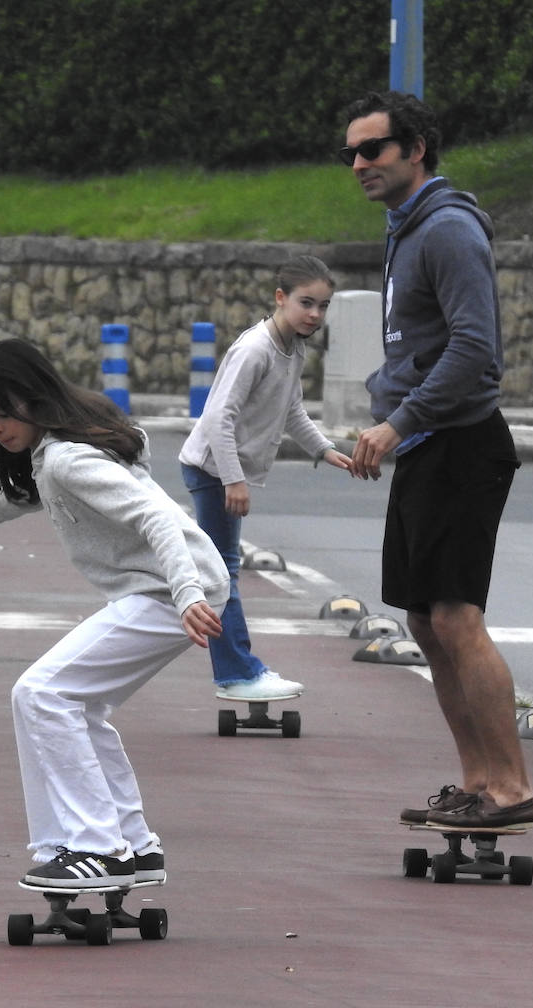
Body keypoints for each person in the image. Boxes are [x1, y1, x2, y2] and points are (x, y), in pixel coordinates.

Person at [0, 338, 229, 889]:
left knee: (42, 694)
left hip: (172, 594)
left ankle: (99, 848)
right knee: (77, 706)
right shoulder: (51, 453)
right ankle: (135, 846)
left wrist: (186, 593)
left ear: (34, 398)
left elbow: (159, 519)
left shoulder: (66, 459)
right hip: (167, 592)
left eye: (4, 413)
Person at [340, 90, 533, 832]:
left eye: (374, 149)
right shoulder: (407, 228)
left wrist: (399, 422)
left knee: (457, 618)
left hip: (460, 442)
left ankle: (513, 785)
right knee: (425, 622)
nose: (359, 163)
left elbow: (473, 351)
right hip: (428, 446)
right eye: (351, 153)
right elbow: (420, 345)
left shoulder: (448, 229)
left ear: (416, 148)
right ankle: (478, 781)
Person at [179, 256, 354, 701]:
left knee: (218, 569)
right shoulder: (255, 349)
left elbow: (291, 408)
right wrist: (233, 480)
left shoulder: (293, 346)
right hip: (211, 468)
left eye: (323, 305)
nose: (315, 314)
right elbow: (218, 417)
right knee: (223, 572)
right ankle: (238, 674)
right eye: (306, 303)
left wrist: (324, 449)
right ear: (281, 298)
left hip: (221, 469)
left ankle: (236, 668)